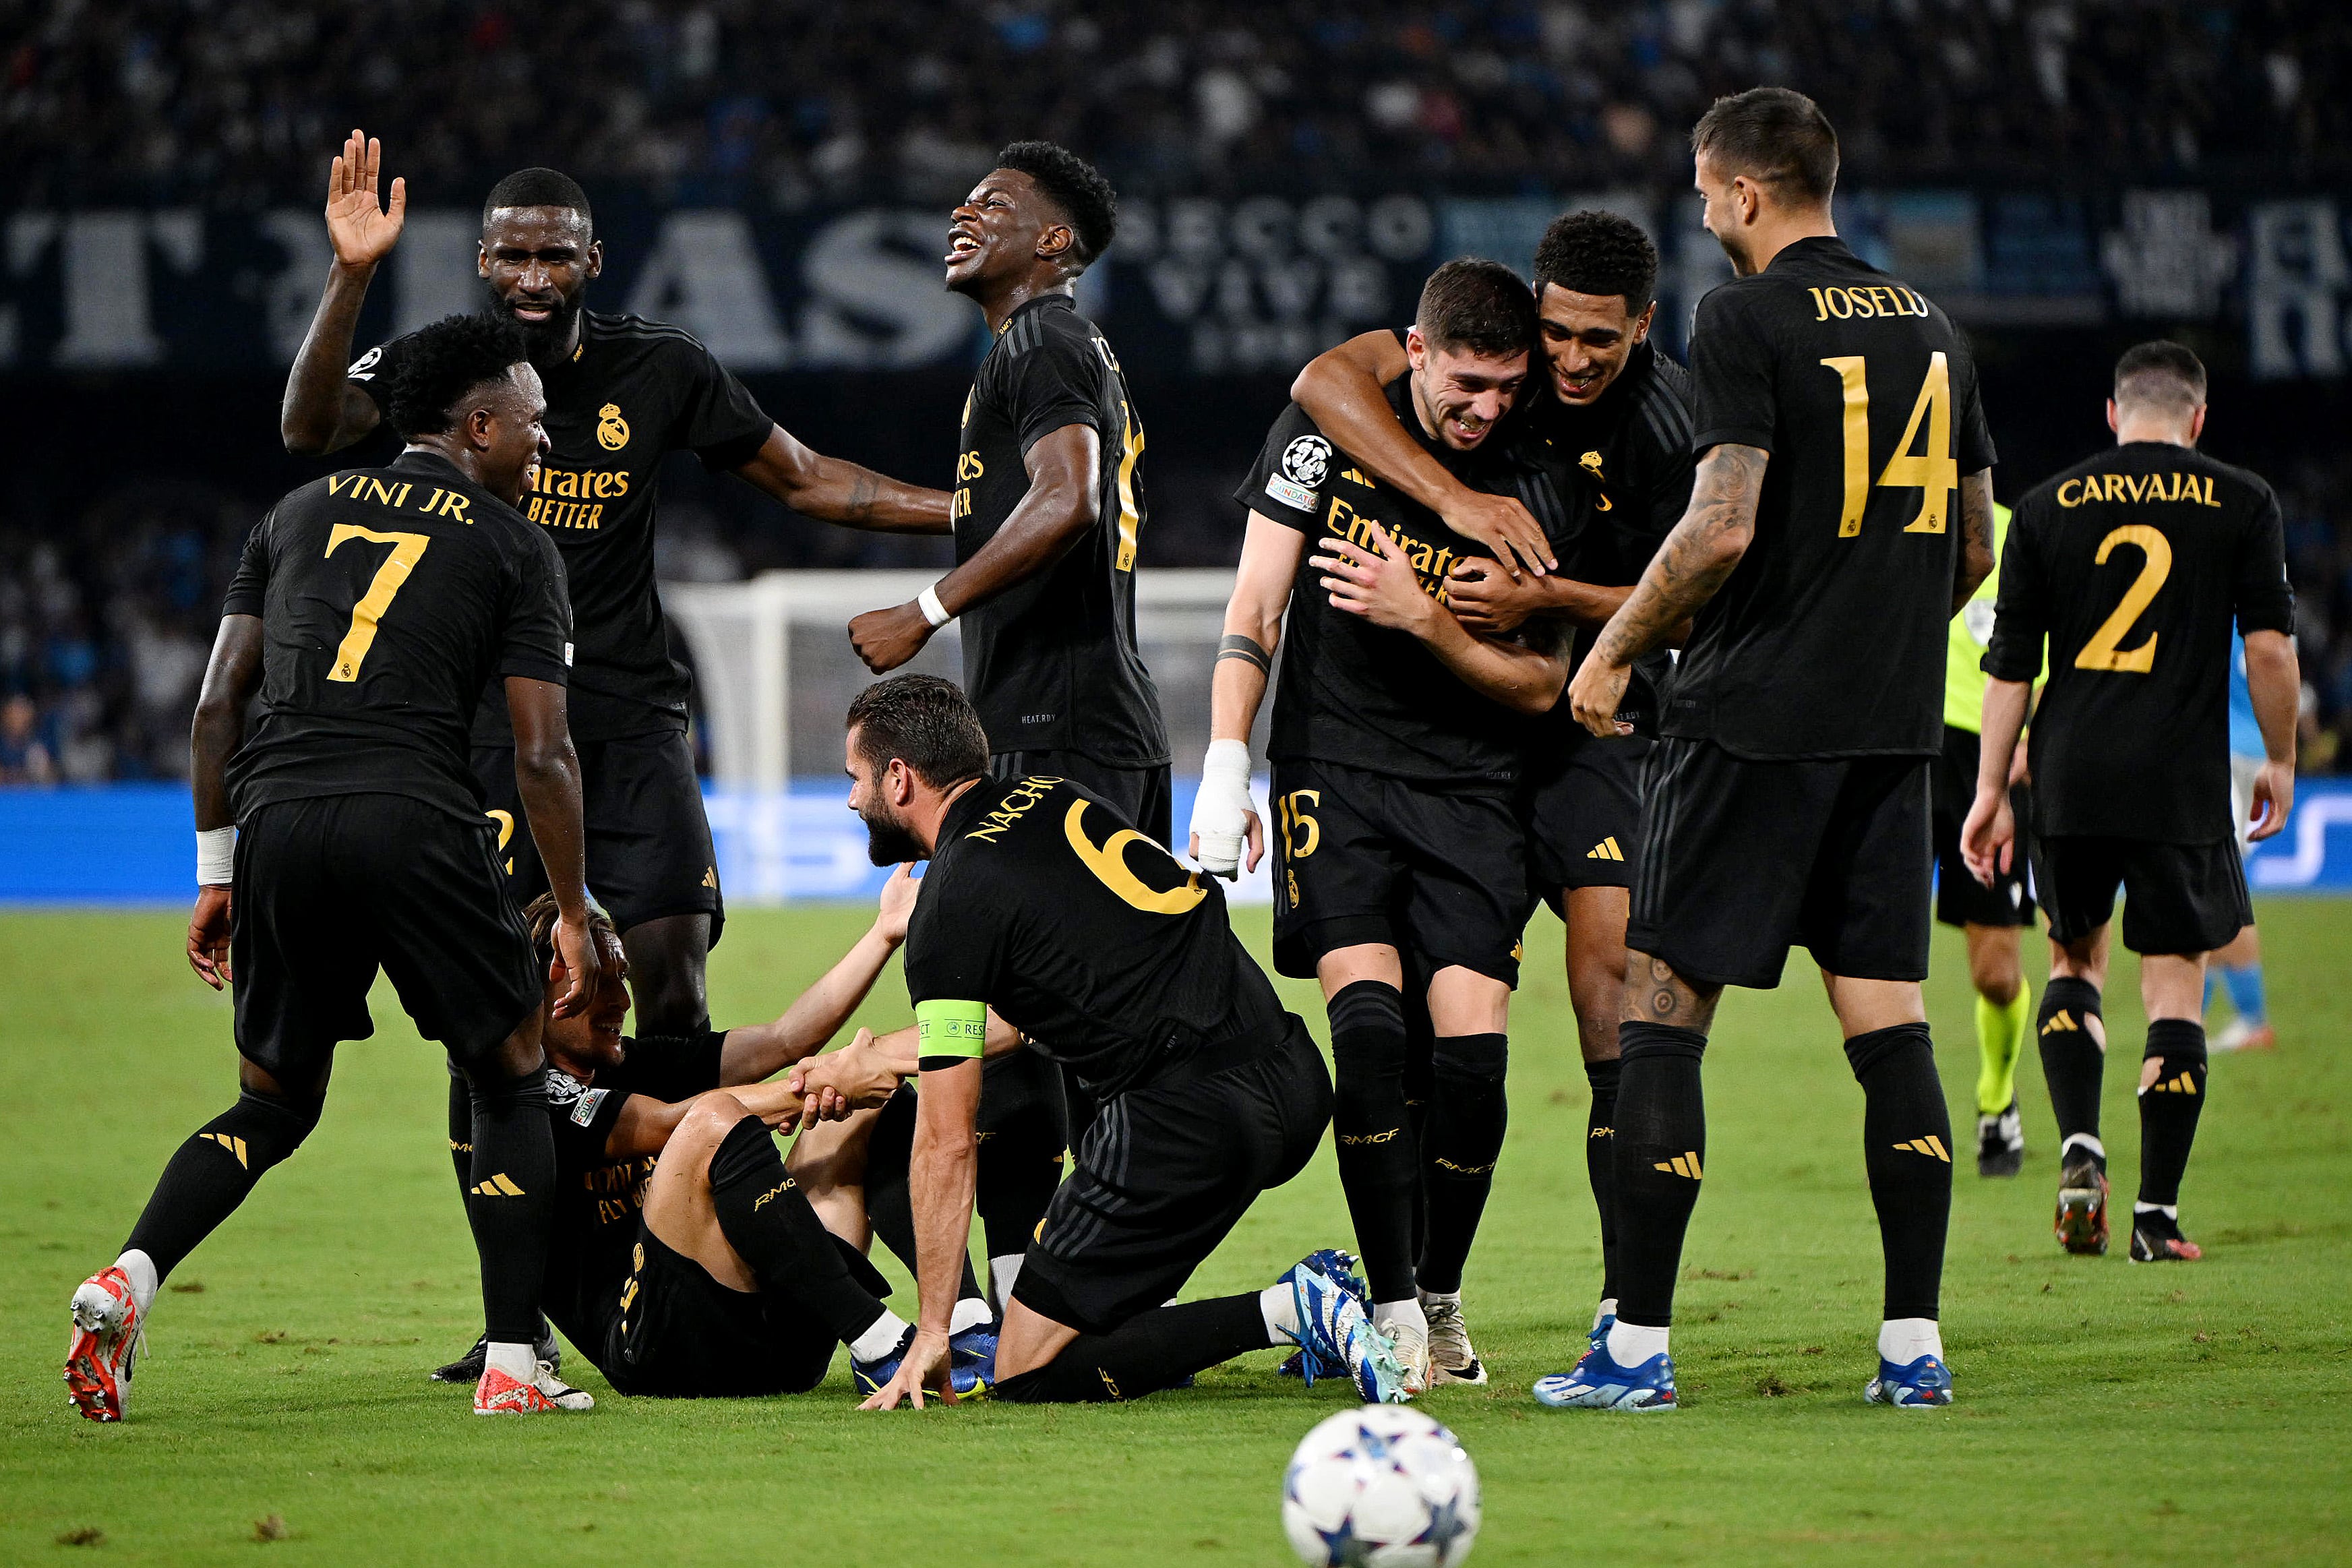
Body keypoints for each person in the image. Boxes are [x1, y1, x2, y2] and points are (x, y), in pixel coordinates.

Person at [277, 131, 951, 1381]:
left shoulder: (661, 370)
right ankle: (512, 1322)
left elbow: (805, 481)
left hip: (629, 724)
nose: (532, 275)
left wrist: (971, 516)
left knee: (671, 984)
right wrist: (351, 274)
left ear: (595, 258)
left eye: (554, 254)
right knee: (495, 1021)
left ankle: (682, 1249)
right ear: (480, 261)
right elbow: (310, 421)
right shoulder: (445, 370)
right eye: (510, 254)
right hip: (488, 737)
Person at [66, 313, 609, 1420]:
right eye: (535, 427)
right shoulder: (515, 547)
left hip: (275, 819)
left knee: (270, 1101)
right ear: (479, 424)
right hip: (410, 815)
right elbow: (542, 752)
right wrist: (571, 905)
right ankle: (513, 1366)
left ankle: (128, 1278)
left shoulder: (294, 513)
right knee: (508, 1069)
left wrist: (218, 871)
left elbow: (219, 705)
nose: (544, 448)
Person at [1547, 87, 1998, 1413]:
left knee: (1662, 1013)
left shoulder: (1737, 319)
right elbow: (1971, 545)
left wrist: (1614, 647)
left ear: (1743, 190)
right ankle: (1912, 1345)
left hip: (1747, 721)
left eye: (1701, 189)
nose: (1697, 212)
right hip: (1893, 729)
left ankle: (1633, 1348)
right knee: (1889, 1023)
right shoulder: (1938, 329)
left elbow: (1719, 525)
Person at [1291, 210, 1697, 1360]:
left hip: (1591, 710)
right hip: (1460, 734)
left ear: (1641, 330)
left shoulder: (1668, 422)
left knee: (1605, 976)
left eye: (1596, 345)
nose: (1568, 363)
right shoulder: (1488, 351)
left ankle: (1627, 1312)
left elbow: (1690, 586)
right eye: (1556, 335)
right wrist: (1461, 504)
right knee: (1427, 1029)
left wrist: (1548, 601)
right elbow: (1324, 380)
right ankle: (1416, 1293)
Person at [790, 674, 1403, 1408]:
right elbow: (1061, 997)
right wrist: (884, 1056)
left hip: (1186, 1130)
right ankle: (1306, 1295)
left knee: (1026, 1370)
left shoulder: (951, 901)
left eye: (855, 779)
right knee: (1104, 1323)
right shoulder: (1056, 796)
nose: (852, 799)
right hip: (1294, 1082)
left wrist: (932, 1329)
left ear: (899, 778)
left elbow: (947, 1140)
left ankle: (1291, 1311)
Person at [1191, 258, 1571, 1390]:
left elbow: (1539, 685)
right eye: (1465, 383)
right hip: (1333, 769)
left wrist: (1427, 625)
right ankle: (1394, 1305)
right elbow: (1255, 605)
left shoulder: (1530, 471)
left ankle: (1440, 1291)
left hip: (1471, 784)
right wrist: (1222, 764)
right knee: (1365, 1033)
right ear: (1412, 352)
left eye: (1505, 388)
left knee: (1468, 1061)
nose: (1485, 409)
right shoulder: (1318, 439)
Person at [845, 140, 1173, 1302]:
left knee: (1020, 1018)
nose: (957, 213)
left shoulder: (1038, 338)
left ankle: (1052, 1293)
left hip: (1056, 722)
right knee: (1074, 1032)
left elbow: (1068, 499)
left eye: (991, 204)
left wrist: (927, 609)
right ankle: (1068, 1287)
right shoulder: (1061, 350)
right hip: (1093, 720)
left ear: (1052, 243)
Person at [1964, 341, 2299, 1265]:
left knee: (2073, 963)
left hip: (2069, 777)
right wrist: (2278, 756)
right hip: (2182, 782)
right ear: (2197, 420)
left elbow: (2009, 670)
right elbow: (2269, 652)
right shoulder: (2242, 501)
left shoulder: (2043, 507)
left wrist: (1992, 789)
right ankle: (2154, 1215)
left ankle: (2079, 1146)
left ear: (2112, 417)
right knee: (2174, 984)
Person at [512, 878, 1007, 1401]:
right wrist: (821, 1085)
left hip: (773, 1341)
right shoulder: (525, 1100)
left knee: (870, 1104)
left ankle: (962, 1322)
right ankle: (879, 1343)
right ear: (537, 994)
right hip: (659, 1354)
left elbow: (787, 1038)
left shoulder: (633, 1061)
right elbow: (666, 1124)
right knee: (709, 1121)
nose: (620, 1002)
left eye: (622, 980)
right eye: (597, 982)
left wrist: (883, 935)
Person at [1935, 500, 2041, 1176]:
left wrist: (2019, 757)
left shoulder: (2020, 531)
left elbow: (2052, 653)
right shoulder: (1883, 518)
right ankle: (1898, 1114)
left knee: (1996, 974)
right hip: (1904, 745)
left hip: (1989, 759)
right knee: (1860, 950)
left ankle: (1996, 1097)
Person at [2207, 636, 2276, 1052]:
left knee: (2219, 887)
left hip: (2223, 749)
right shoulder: (2271, 604)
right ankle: (2192, 1016)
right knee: (2211, 885)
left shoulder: (2221, 601)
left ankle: (2254, 1021)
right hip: (2257, 749)